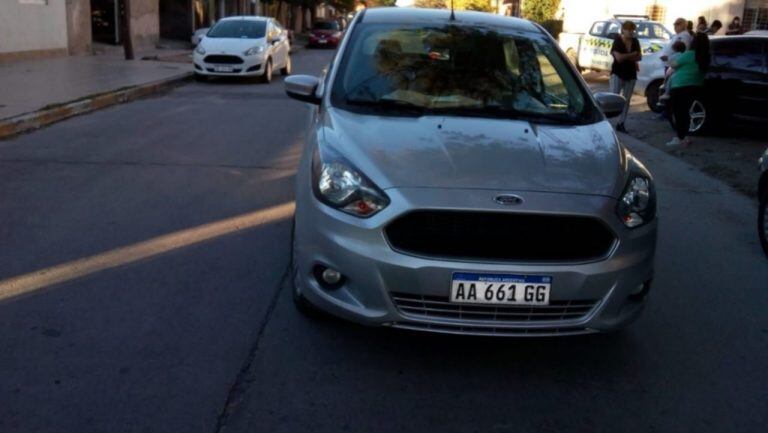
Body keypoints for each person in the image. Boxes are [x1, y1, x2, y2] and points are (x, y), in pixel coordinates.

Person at [666, 32, 710, 147]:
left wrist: (668, 59)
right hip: (695, 87)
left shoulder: (689, 54)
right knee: (686, 112)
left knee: (679, 113)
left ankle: (679, 138)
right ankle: (685, 136)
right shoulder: (706, 56)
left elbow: (674, 65)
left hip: (680, 86)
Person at [609, 20, 641, 133]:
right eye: (629, 30)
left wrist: (626, 56)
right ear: (623, 30)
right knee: (613, 99)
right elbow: (618, 59)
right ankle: (609, 124)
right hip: (617, 73)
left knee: (626, 100)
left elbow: (639, 57)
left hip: (631, 74)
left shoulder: (635, 41)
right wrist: (632, 54)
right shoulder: (617, 41)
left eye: (633, 30)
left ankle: (621, 123)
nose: (631, 32)